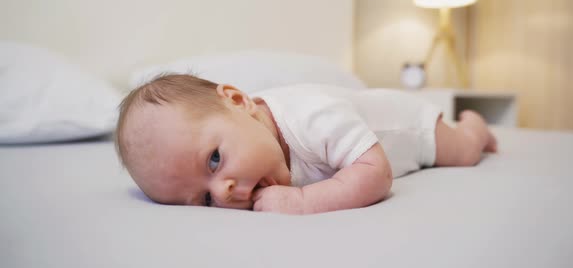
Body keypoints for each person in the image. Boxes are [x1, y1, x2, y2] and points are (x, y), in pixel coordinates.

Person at [115, 74, 497, 214]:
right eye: (206, 200)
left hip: (410, 126)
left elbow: (376, 173)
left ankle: (474, 125)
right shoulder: (247, 140)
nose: (225, 191)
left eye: (214, 160)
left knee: (464, 152)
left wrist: (304, 201)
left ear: (237, 101)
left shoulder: (310, 116)